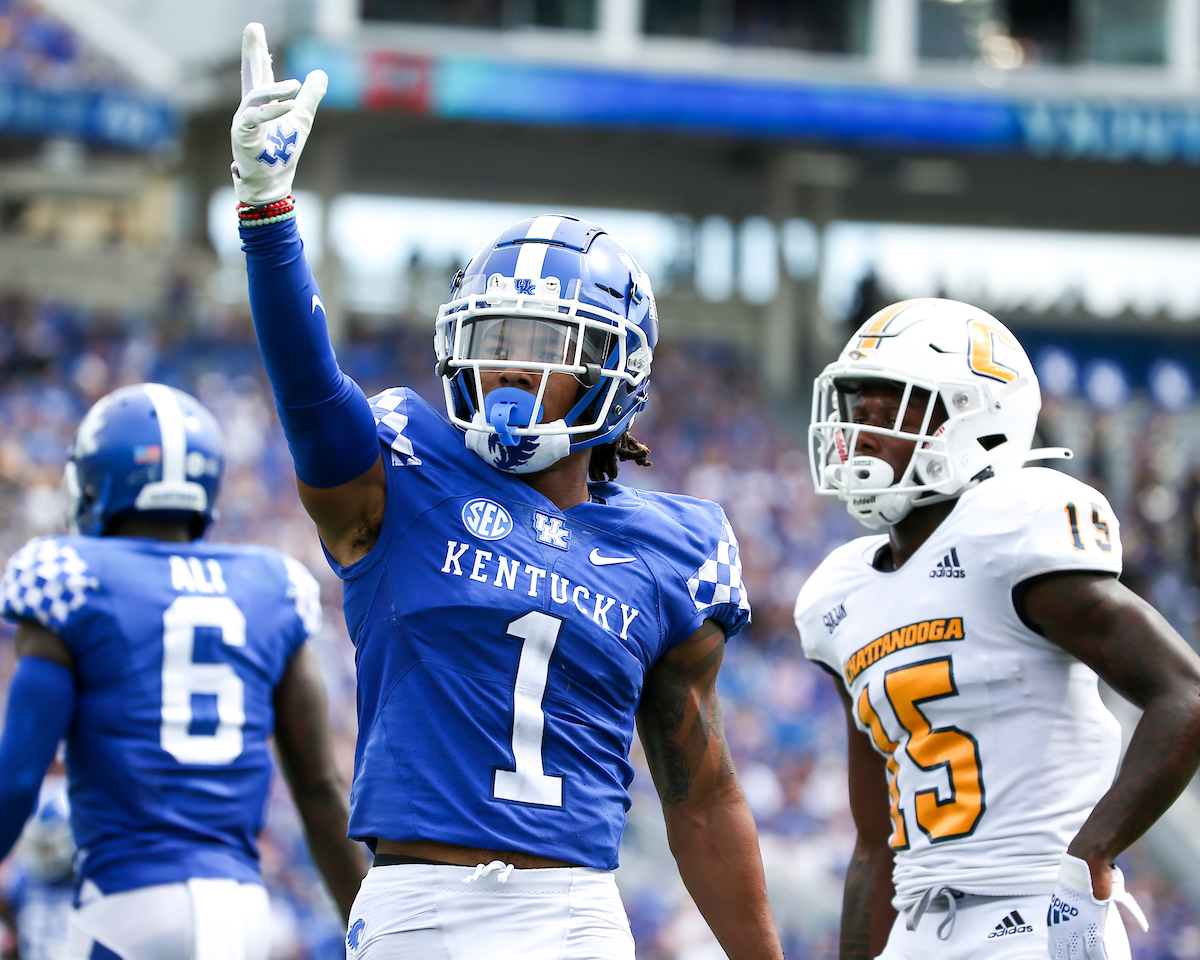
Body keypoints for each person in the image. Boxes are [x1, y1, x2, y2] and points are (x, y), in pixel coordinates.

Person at [229, 22, 783, 960]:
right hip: (418, 907)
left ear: (614, 372)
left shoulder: (672, 546)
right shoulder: (404, 470)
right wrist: (268, 216)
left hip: (574, 914)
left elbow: (701, 792)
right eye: (490, 341)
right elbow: (314, 398)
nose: (505, 373)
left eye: (541, 348)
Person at [793, 297, 1200, 960]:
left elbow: (1184, 692)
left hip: (1034, 910)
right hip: (918, 924)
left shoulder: (1013, 527)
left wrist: (1093, 851)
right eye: (855, 413)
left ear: (976, 420)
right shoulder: (837, 595)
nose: (860, 435)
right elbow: (875, 843)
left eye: (889, 411)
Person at [0, 382, 366, 959]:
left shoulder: (68, 577)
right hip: (243, 911)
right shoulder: (270, 587)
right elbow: (321, 793)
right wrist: (373, 935)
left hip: (126, 902)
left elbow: (17, 780)